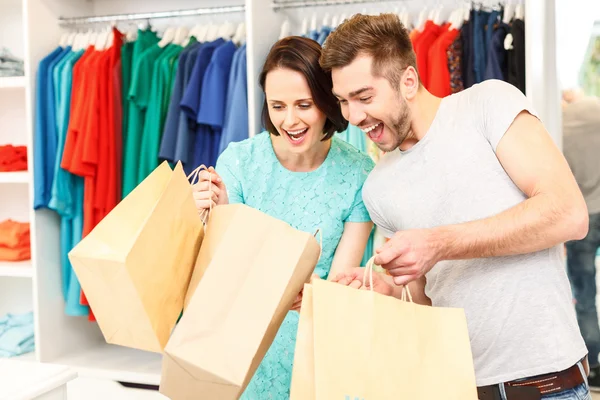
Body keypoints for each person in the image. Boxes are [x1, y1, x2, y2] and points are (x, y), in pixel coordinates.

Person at [322, 14, 592, 400]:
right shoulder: (378, 188)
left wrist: (439, 243)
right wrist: (384, 290)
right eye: (343, 102)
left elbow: (568, 213)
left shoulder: (487, 105)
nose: (353, 117)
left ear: (409, 81)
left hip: (545, 386)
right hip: (455, 387)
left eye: (365, 97)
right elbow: (425, 300)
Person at [192, 36, 375, 399]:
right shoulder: (239, 163)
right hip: (247, 354)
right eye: (277, 106)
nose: (289, 120)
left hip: (321, 353)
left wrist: (312, 293)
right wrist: (202, 215)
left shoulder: (359, 174)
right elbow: (223, 274)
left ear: (327, 102)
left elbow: (339, 287)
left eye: (304, 105)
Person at [562, 89, 600, 391]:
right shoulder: (595, 108)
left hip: (582, 217)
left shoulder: (554, 127)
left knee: (584, 293)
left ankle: (595, 364)